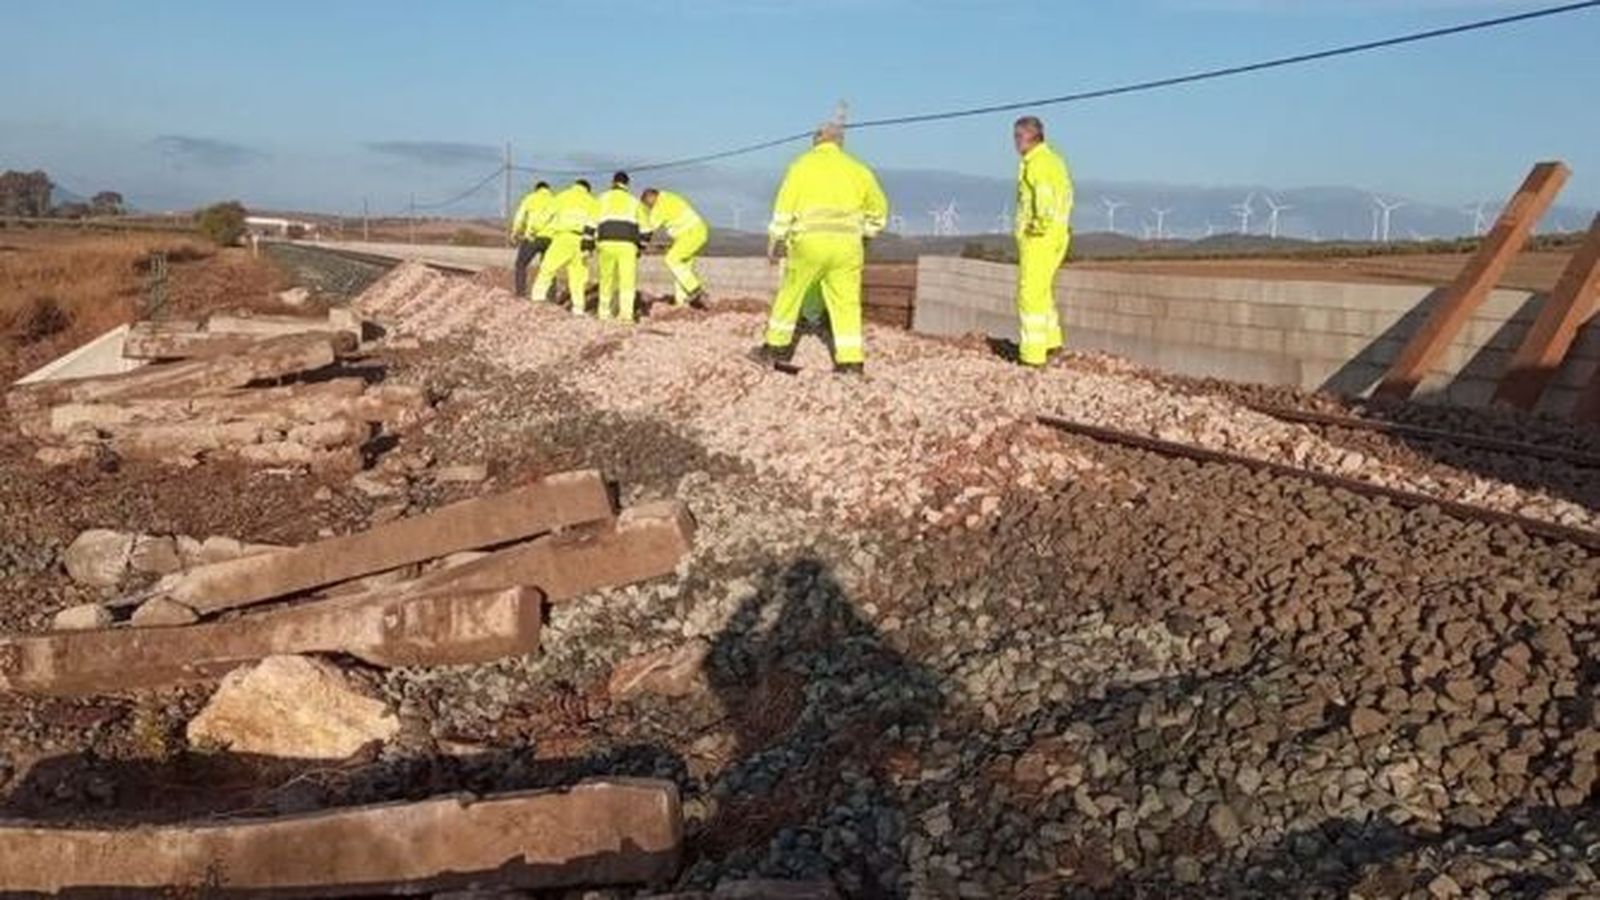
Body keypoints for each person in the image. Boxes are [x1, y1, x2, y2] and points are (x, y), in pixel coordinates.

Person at [761, 122, 888, 374]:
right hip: (848, 247)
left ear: (815, 141)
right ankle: (851, 362)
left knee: (791, 293)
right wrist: (866, 235)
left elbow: (784, 206)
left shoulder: (801, 165)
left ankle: (775, 349)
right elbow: (879, 212)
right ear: (840, 143)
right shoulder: (859, 170)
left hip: (809, 243)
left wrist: (775, 237)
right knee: (847, 303)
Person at [1011, 115, 1074, 367]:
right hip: (1059, 234)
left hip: (1039, 238)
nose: (1015, 143)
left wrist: (1034, 227)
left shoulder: (1036, 163)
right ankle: (1052, 343)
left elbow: (1043, 200)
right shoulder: (1055, 161)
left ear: (1028, 136)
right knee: (1043, 291)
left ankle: (1032, 355)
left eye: (1017, 136)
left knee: (1030, 295)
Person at [530, 179, 598, 314]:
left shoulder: (563, 196)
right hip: (582, 241)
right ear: (587, 189)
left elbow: (546, 214)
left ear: (575, 186)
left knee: (548, 268)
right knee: (578, 276)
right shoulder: (593, 201)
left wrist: (534, 229)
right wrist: (592, 245)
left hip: (563, 238)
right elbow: (597, 225)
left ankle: (537, 299)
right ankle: (578, 308)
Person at [640, 188, 708, 307]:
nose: (648, 208)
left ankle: (695, 289)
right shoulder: (668, 197)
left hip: (691, 233)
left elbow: (648, 229)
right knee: (682, 269)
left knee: (671, 259)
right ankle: (681, 302)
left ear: (651, 198)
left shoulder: (660, 205)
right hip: (693, 232)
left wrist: (641, 243)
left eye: (647, 204)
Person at [594, 172, 645, 322]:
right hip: (628, 245)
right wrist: (641, 247)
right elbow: (646, 229)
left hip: (606, 243)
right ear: (627, 184)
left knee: (606, 279)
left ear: (613, 182)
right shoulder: (634, 201)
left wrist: (588, 243)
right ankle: (625, 316)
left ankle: (603, 313)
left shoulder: (601, 198)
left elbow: (591, 223)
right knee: (627, 280)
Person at [508, 180, 554, 298]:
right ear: (548, 189)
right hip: (551, 238)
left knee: (521, 264)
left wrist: (515, 233)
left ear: (536, 189)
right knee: (549, 268)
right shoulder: (554, 200)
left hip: (532, 237)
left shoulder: (530, 198)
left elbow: (520, 217)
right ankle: (550, 298)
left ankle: (521, 294)